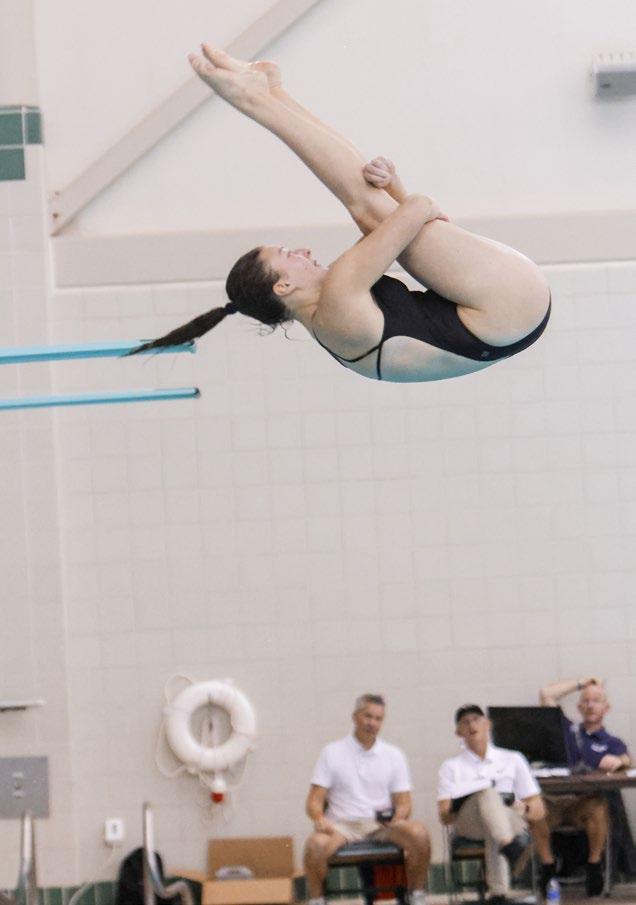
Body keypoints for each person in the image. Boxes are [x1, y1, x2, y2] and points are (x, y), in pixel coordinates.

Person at [130, 46, 551, 383]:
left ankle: (273, 93)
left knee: (370, 208)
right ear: (284, 285)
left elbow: (411, 218)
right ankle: (256, 99)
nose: (302, 251)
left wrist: (397, 192)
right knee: (367, 207)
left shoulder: (330, 325)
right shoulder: (339, 303)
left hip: (507, 316)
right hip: (508, 304)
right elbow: (416, 209)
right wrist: (403, 198)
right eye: (287, 254)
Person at [304, 694, 430, 905]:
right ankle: (318, 900)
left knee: (420, 835)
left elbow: (404, 803)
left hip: (381, 825)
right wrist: (319, 818)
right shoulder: (331, 752)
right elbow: (314, 801)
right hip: (342, 826)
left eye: (378, 719)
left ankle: (416, 895)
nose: (372, 723)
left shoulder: (394, 755)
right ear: (355, 717)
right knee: (314, 846)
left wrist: (397, 817)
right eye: (368, 716)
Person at [531, 677, 632, 897]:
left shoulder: (612, 742)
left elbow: (627, 760)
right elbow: (546, 694)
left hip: (582, 805)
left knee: (599, 807)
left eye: (596, 700)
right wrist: (581, 683)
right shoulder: (567, 731)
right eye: (585, 700)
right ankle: (548, 866)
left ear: (606, 707)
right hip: (555, 803)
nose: (590, 705)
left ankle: (594, 866)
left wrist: (620, 761)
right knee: (535, 809)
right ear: (578, 707)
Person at [437, 705, 545, 905]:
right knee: (487, 795)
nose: (471, 725)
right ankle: (510, 849)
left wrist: (521, 806)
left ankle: (498, 893)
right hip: (470, 824)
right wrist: (467, 802)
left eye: (476, 719)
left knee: (494, 820)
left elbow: (538, 810)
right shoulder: (451, 767)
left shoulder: (513, 759)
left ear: (488, 724)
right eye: (465, 722)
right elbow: (444, 816)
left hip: (510, 818)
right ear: (458, 732)